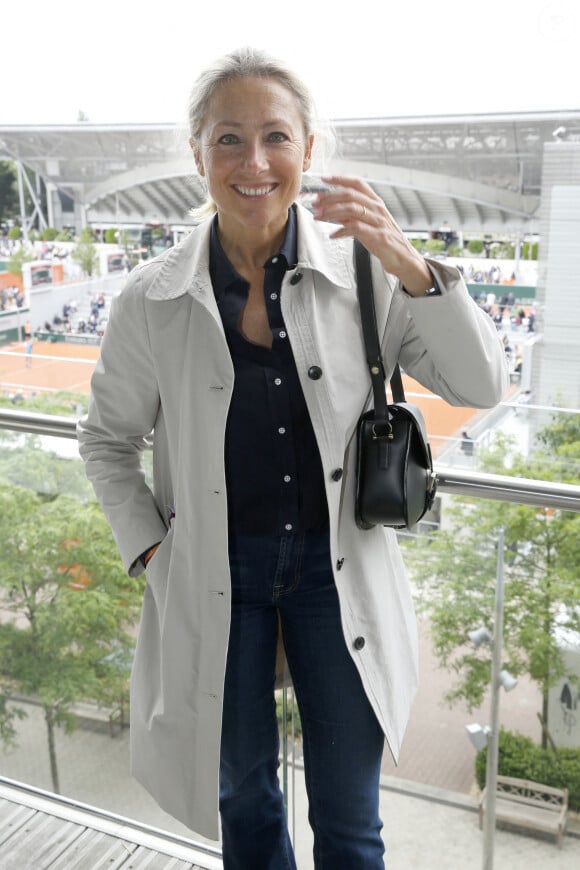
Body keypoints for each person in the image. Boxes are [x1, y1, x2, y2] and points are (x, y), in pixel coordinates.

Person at [77, 47, 508, 869]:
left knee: (349, 821)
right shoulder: (151, 299)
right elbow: (105, 438)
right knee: (245, 800)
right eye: (228, 139)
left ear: (309, 149)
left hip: (334, 571)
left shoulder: (365, 275)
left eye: (275, 136)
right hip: (214, 575)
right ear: (198, 154)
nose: (254, 162)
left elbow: (480, 381)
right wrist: (153, 547)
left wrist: (409, 263)